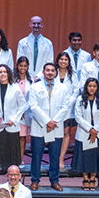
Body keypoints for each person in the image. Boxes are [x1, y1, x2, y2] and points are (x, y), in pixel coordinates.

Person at [27, 63, 72, 191]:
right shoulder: (35, 87)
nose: (50, 73)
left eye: (52, 70)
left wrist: (54, 122)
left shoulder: (63, 88)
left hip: (56, 127)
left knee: (55, 155)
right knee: (36, 155)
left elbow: (65, 107)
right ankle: (35, 180)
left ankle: (54, 180)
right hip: (39, 125)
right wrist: (47, 121)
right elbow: (34, 106)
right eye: (48, 70)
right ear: (43, 72)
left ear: (56, 73)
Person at [0, 64, 25, 183]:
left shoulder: (15, 88)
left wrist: (15, 119)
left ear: (8, 74)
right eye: (0, 72)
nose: (2, 74)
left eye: (5, 72)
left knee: (11, 155)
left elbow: (22, 105)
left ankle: (10, 179)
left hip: (11, 126)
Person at [73, 78, 99, 189]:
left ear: (97, 87)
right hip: (85, 132)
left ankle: (92, 178)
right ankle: (85, 178)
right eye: (89, 86)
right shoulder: (80, 99)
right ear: (86, 87)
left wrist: (95, 130)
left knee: (95, 157)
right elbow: (78, 117)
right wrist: (90, 129)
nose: (92, 88)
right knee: (85, 157)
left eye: (94, 86)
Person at [55, 51, 79, 171]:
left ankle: (61, 158)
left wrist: (67, 103)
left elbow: (76, 91)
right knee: (54, 134)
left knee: (66, 133)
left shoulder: (72, 75)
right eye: (61, 59)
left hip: (68, 109)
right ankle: (53, 158)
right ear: (58, 60)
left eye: (66, 60)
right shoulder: (52, 72)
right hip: (54, 109)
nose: (63, 61)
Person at [16, 16, 54, 81]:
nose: (36, 25)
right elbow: (19, 61)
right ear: (30, 24)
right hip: (26, 78)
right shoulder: (22, 42)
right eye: (34, 23)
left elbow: (49, 62)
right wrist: (28, 76)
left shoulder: (48, 43)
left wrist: (38, 77)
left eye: (38, 23)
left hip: (42, 78)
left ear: (42, 25)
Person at [13, 56, 34, 159]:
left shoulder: (31, 81)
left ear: (28, 67)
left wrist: (22, 111)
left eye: (25, 66)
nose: (23, 68)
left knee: (22, 137)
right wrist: (17, 112)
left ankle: (20, 159)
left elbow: (31, 99)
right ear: (17, 66)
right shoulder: (12, 80)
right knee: (13, 137)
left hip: (25, 114)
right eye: (21, 65)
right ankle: (12, 158)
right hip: (13, 112)